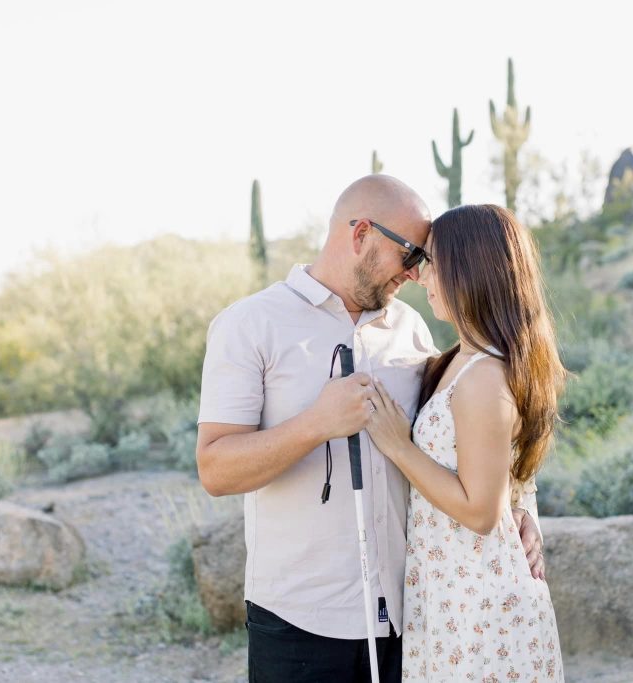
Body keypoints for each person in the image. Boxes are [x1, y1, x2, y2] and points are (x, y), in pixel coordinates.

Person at [196, 176, 545, 683]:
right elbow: (215, 469)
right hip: (300, 625)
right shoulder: (249, 325)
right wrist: (316, 424)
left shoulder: (412, 330)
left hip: (413, 620)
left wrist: (516, 503)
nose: (415, 272)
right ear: (360, 233)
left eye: (424, 259)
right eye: (409, 253)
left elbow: (472, 432)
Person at [364, 203, 566, 681]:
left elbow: (480, 511)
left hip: (481, 612)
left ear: (469, 271)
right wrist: (523, 512)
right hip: (456, 600)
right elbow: (506, 478)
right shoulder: (460, 360)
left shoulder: (483, 378)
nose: (418, 276)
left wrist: (398, 446)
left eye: (430, 262)